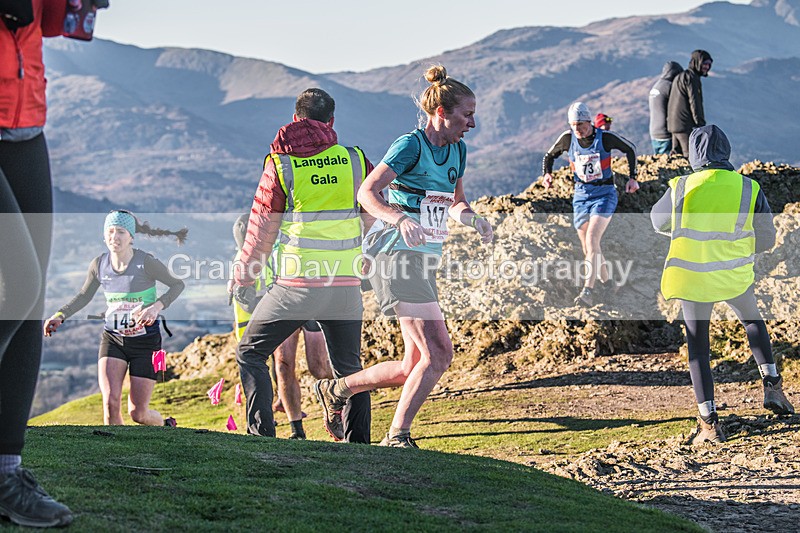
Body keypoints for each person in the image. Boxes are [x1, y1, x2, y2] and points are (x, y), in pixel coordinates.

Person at [313, 65, 493, 448]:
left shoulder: (458, 150)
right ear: (441, 113)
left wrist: (473, 220)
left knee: (413, 365)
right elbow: (367, 192)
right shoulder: (410, 145)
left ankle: (336, 389)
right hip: (396, 256)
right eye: (467, 115)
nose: (473, 123)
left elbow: (455, 202)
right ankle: (398, 436)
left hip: (425, 259)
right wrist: (398, 220)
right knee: (440, 352)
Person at [233, 88, 374, 443]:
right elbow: (374, 219)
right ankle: (360, 446)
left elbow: (261, 230)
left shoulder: (280, 164)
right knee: (349, 368)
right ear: (331, 122)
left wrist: (244, 279)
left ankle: (262, 436)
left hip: (297, 286)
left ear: (296, 119)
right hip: (345, 284)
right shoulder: (355, 160)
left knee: (250, 354)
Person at [650, 125, 794, 445]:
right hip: (733, 275)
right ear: (725, 152)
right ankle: (773, 388)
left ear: (694, 155)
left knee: (698, 348)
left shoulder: (681, 186)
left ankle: (709, 423)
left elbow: (657, 222)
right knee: (753, 321)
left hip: (692, 278)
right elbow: (767, 239)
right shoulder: (748, 188)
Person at [1, 0, 85, 526]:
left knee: (29, 303)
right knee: (19, 285)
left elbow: (53, 21)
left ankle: (6, 474)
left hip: (25, 119)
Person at [43, 211, 186, 428]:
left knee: (138, 414)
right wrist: (60, 315)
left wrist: (157, 307)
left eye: (121, 231)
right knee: (110, 404)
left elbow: (177, 285)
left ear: (131, 237)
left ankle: (165, 424)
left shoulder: (145, 262)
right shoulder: (99, 265)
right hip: (113, 339)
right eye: (110, 231)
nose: (115, 237)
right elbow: (84, 296)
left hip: (145, 342)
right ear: (104, 236)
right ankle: (114, 453)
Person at [230, 214, 333, 439]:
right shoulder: (245, 254)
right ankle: (297, 429)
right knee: (284, 363)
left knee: (318, 367)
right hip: (283, 302)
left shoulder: (286, 225)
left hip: (308, 294)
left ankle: (340, 401)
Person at [541, 102, 639, 307]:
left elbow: (630, 149)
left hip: (604, 194)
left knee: (593, 239)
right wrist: (547, 175)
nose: (577, 129)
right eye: (574, 125)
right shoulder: (567, 139)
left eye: (581, 125)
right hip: (581, 195)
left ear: (589, 122)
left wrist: (633, 178)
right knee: (588, 247)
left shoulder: (604, 137)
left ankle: (588, 291)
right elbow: (549, 156)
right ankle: (609, 283)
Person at [667, 50, 712, 156]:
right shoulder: (691, 78)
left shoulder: (680, 76)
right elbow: (695, 102)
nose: (707, 67)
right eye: (704, 63)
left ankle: (673, 172)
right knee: (691, 155)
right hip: (684, 125)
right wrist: (700, 125)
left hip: (673, 124)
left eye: (709, 64)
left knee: (676, 155)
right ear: (697, 62)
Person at [648, 60, 683, 155]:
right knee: (669, 165)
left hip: (654, 131)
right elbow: (677, 108)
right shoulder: (670, 86)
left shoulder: (656, 86)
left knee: (659, 162)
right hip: (666, 132)